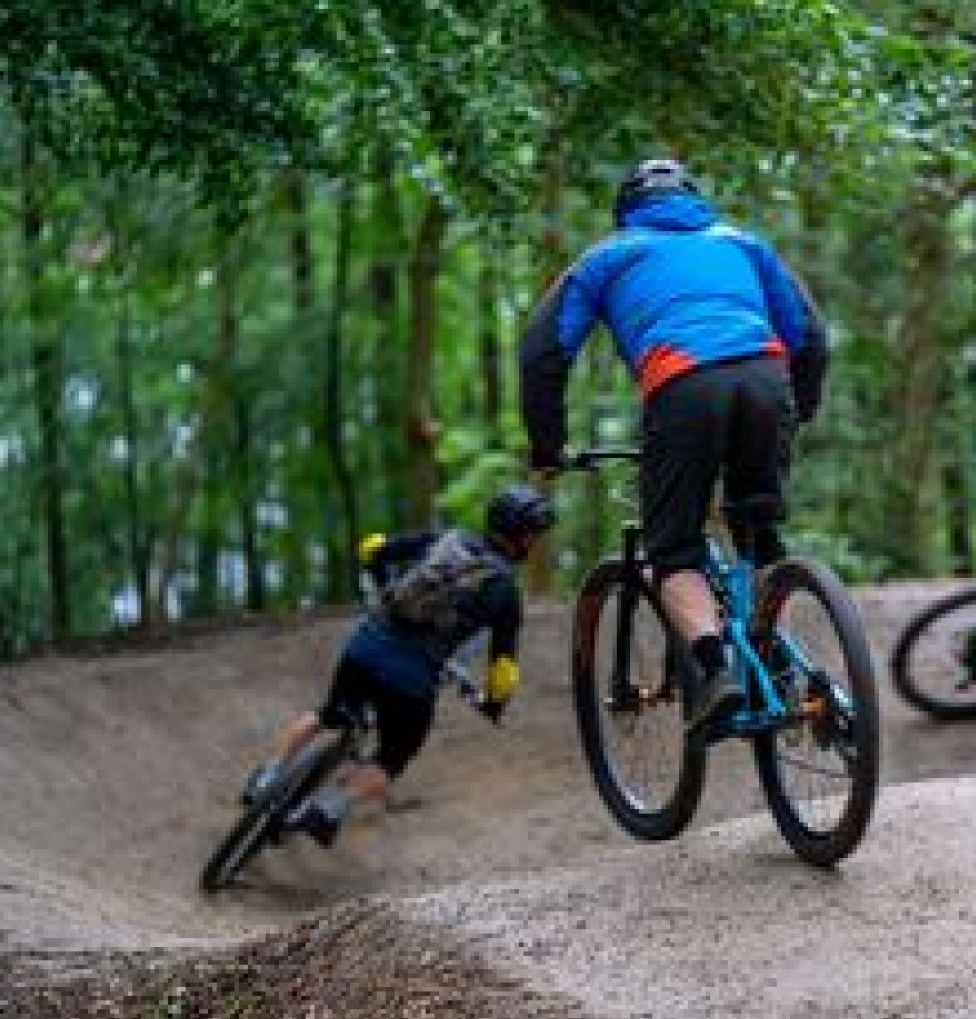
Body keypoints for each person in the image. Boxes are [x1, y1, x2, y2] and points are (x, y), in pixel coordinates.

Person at [518, 158, 828, 731]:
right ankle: (781, 663)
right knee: (757, 529)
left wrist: (547, 446)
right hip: (767, 379)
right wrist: (799, 409)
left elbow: (543, 352)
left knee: (674, 551)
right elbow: (809, 334)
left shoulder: (606, 257)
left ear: (626, 211)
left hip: (684, 385)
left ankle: (714, 672)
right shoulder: (742, 242)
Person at [240, 485, 556, 845]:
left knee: (327, 715)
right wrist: (493, 704)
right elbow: (503, 672)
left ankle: (268, 775)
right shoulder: (505, 591)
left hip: (366, 648)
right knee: (392, 757)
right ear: (522, 538)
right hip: (412, 683)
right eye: (535, 534)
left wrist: (384, 588)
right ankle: (329, 808)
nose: (536, 541)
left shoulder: (446, 539)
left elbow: (372, 548)